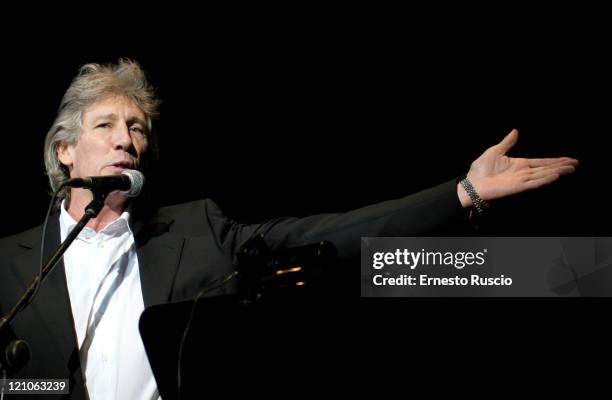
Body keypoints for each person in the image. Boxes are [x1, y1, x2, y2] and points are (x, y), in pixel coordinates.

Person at [0, 59, 578, 399]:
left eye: (137, 126)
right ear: (66, 151)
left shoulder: (196, 229)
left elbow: (332, 230)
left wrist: (462, 193)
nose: (128, 138)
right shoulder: (12, 263)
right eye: (107, 124)